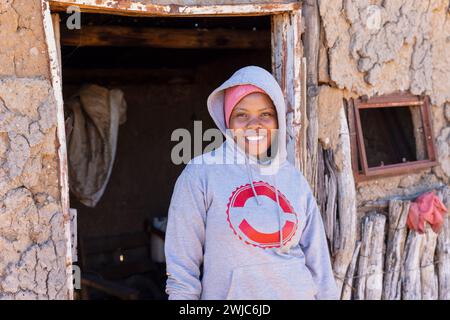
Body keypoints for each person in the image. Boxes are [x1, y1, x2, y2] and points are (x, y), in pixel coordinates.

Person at [165, 65, 338, 300]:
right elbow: (182, 273)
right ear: (227, 121)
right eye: (242, 114)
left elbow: (320, 268)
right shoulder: (200, 175)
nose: (254, 124)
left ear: (277, 119)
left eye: (265, 114)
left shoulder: (293, 179)